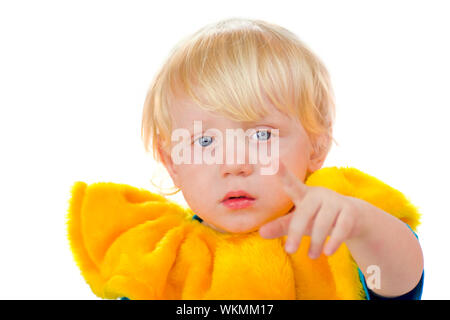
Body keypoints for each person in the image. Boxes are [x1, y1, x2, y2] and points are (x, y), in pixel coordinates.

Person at [67, 17, 424, 300]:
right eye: (205, 140)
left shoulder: (333, 237)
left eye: (261, 135)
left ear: (316, 145)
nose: (234, 164)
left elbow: (400, 284)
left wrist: (361, 225)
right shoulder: (163, 261)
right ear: (171, 160)